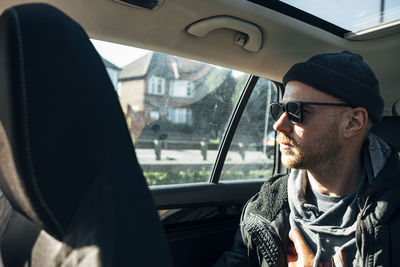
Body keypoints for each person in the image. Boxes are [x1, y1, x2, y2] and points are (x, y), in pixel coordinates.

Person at [214, 51, 400, 266]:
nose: (278, 125)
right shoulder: (266, 207)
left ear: (352, 122)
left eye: (296, 111)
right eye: (279, 110)